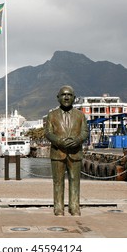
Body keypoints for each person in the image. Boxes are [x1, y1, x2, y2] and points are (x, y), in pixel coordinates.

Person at [45, 85, 88, 216]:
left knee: (75, 180)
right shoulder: (51, 115)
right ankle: (58, 207)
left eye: (69, 95)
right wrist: (57, 140)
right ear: (58, 98)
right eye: (63, 94)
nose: (66, 97)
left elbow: (85, 132)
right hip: (58, 152)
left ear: (74, 98)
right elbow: (48, 132)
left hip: (75, 152)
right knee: (58, 181)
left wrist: (78, 140)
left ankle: (74, 206)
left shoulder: (80, 115)